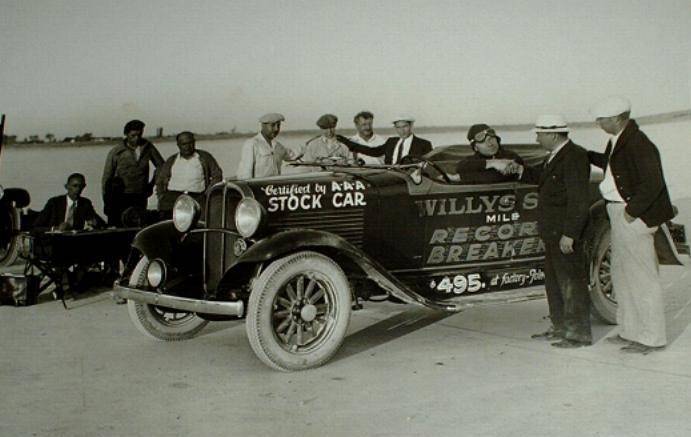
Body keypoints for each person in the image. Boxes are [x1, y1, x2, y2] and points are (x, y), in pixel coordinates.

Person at [588, 96, 674, 354]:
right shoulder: (620, 140)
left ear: (616, 118)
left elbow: (653, 182)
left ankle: (651, 338)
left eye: (601, 119)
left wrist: (631, 212)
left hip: (633, 216)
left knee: (642, 279)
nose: (598, 123)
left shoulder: (639, 143)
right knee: (622, 277)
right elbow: (613, 167)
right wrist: (583, 155)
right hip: (619, 212)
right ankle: (630, 330)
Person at [500, 115, 592, 348]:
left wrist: (570, 233)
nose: (537, 138)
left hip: (564, 233)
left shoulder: (574, 156)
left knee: (572, 283)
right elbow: (541, 178)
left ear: (552, 134)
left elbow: (578, 198)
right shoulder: (556, 156)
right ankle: (560, 327)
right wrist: (519, 170)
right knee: (554, 283)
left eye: (539, 134)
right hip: (552, 232)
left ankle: (578, 334)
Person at [102, 119, 164, 226]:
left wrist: (152, 184)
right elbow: (107, 178)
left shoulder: (147, 147)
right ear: (126, 135)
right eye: (133, 135)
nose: (137, 138)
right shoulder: (117, 151)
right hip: (120, 196)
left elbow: (162, 166)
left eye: (139, 135)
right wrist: (107, 202)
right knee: (118, 225)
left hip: (140, 195)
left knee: (139, 224)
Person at [155, 131, 223, 218]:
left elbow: (217, 175)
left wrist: (208, 192)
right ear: (178, 145)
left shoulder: (204, 157)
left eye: (191, 143)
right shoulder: (172, 160)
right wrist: (161, 196)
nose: (188, 147)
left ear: (194, 143)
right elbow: (160, 180)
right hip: (173, 198)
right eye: (184, 144)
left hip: (197, 198)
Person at [337, 116, 432, 164]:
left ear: (411, 126)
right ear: (395, 128)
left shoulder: (424, 144)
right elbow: (373, 151)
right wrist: (347, 142)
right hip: (389, 180)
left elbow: (430, 167)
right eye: (398, 127)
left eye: (405, 126)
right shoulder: (391, 142)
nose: (402, 130)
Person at [454, 123, 524, 183]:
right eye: (484, 142)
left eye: (491, 139)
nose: (490, 144)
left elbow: (499, 176)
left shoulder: (510, 156)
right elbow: (460, 166)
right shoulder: (471, 160)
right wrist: (492, 163)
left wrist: (460, 178)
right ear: (475, 147)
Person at [33, 173, 105, 231]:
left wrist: (95, 222)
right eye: (75, 186)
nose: (78, 189)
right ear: (67, 186)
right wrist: (56, 228)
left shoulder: (85, 203)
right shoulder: (54, 203)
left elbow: (101, 223)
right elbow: (36, 227)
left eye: (81, 186)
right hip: (54, 241)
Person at [236, 113, 295, 179]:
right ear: (263, 126)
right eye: (272, 125)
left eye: (278, 126)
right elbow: (245, 174)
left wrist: (305, 148)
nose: (276, 129)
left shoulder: (278, 146)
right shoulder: (252, 144)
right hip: (258, 186)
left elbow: (292, 156)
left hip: (274, 186)